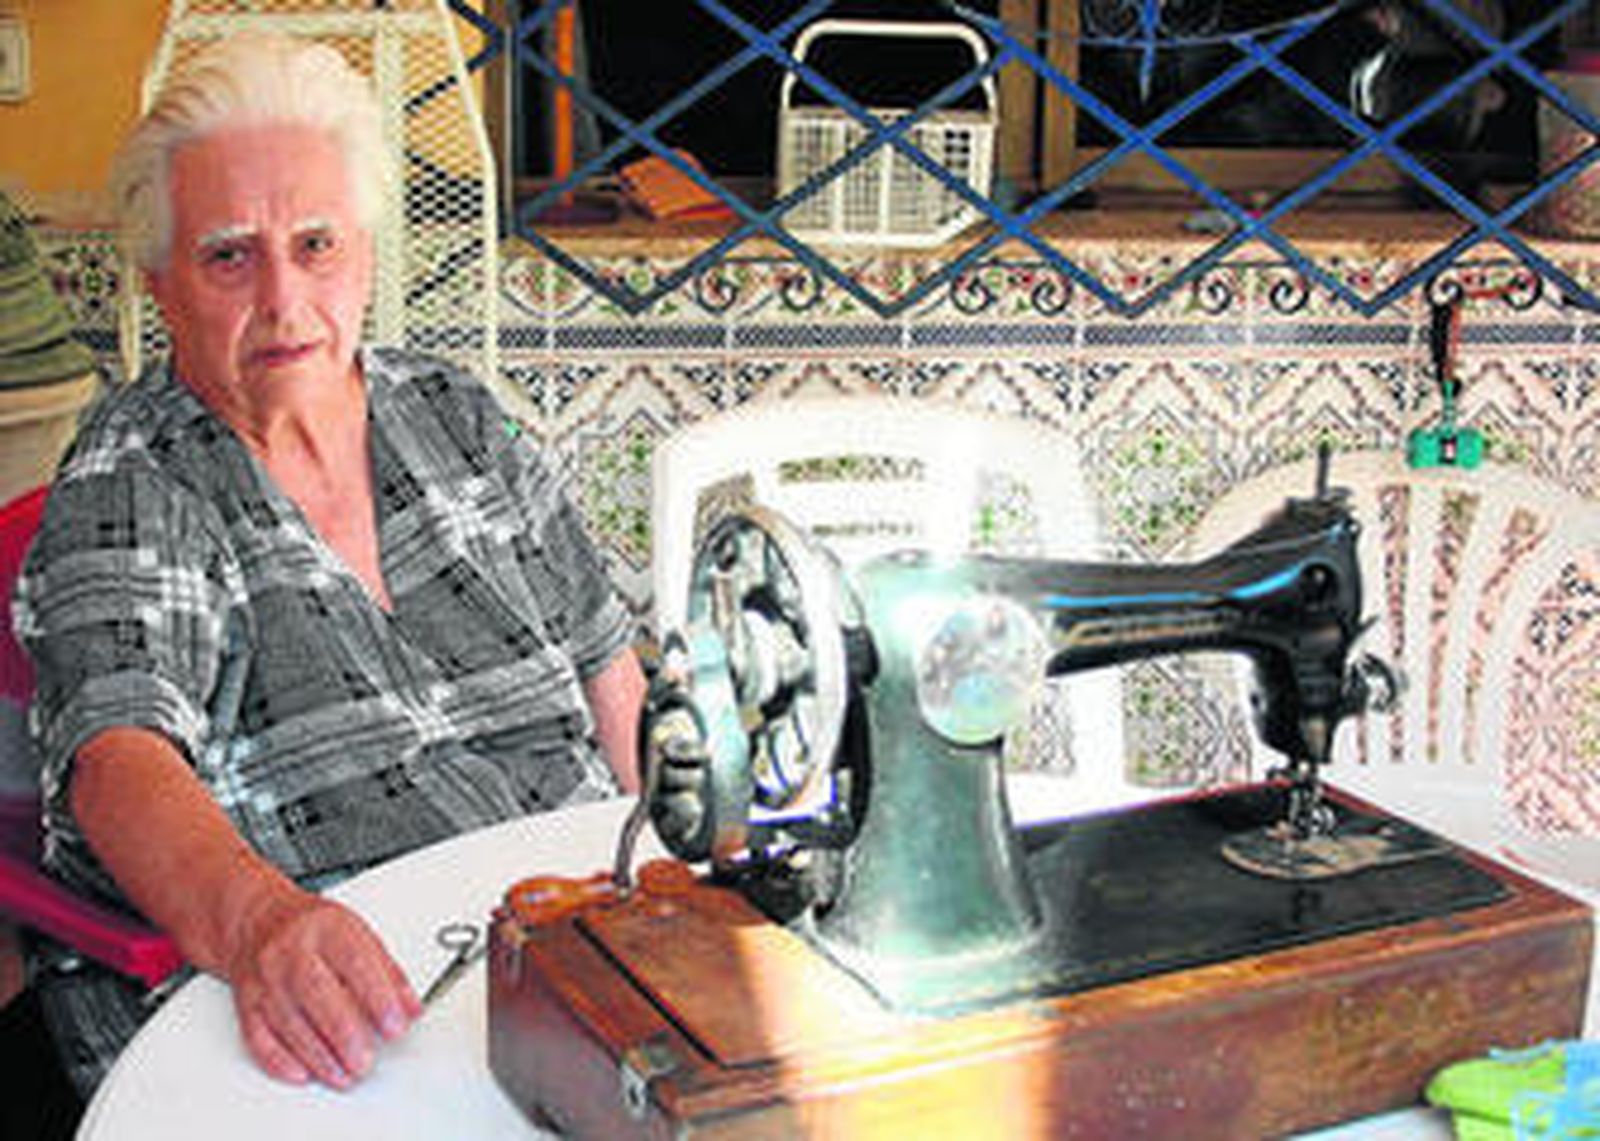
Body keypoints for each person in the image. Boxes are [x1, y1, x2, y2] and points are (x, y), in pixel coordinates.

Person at [12, 32, 646, 1099]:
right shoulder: (136, 477)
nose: (284, 299)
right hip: (328, 1014)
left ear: (365, 250)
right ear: (160, 282)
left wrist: (686, 881)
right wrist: (262, 925)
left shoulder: (456, 417)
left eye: (315, 244)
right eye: (228, 255)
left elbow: (610, 669)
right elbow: (119, 759)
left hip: (569, 955)